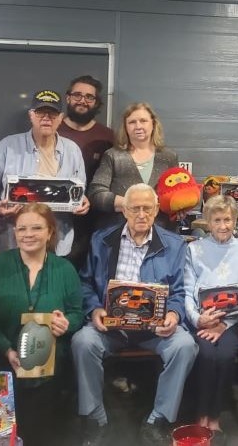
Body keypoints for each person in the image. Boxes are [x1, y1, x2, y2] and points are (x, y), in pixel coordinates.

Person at [72, 183, 197, 446]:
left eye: (147, 208)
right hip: (112, 327)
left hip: (155, 330)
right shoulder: (101, 240)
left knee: (185, 346)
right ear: (124, 211)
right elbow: (85, 283)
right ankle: (96, 419)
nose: (141, 214)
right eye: (135, 208)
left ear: (155, 212)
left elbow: (180, 290)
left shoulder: (174, 245)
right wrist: (95, 308)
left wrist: (173, 315)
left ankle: (159, 419)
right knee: (83, 342)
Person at [0, 203, 83, 446]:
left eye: (36, 228)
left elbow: (77, 313)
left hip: (50, 373)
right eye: (22, 229)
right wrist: (6, 349)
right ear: (15, 232)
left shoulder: (65, 270)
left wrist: (66, 324)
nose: (28, 234)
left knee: (43, 436)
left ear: (50, 232)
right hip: (0, 370)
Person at [0, 90, 90, 257]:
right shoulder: (8, 146)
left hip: (57, 246)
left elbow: (79, 192)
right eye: (40, 112)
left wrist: (81, 202)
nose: (46, 118)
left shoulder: (72, 150)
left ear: (60, 118)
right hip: (12, 245)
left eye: (52, 113)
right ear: (31, 115)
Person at [184, 195, 238, 442]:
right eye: (217, 220)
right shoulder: (194, 249)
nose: (223, 225)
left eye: (228, 219)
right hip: (203, 320)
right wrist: (199, 319)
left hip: (232, 323)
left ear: (235, 220)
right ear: (207, 221)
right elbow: (187, 291)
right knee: (205, 354)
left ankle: (215, 415)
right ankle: (201, 414)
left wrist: (224, 325)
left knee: (225, 356)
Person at [88, 102, 179, 230]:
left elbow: (177, 192)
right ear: (125, 126)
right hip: (119, 232)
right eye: (132, 122)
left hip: (160, 232)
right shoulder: (113, 156)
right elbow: (96, 194)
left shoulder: (169, 157)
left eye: (143, 121)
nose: (138, 126)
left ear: (153, 124)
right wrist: (131, 204)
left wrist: (179, 206)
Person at [59, 75, 115, 266]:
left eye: (89, 97)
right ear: (68, 98)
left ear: (96, 103)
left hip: (94, 221)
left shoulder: (108, 137)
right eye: (77, 95)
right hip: (56, 217)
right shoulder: (53, 129)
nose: (82, 100)